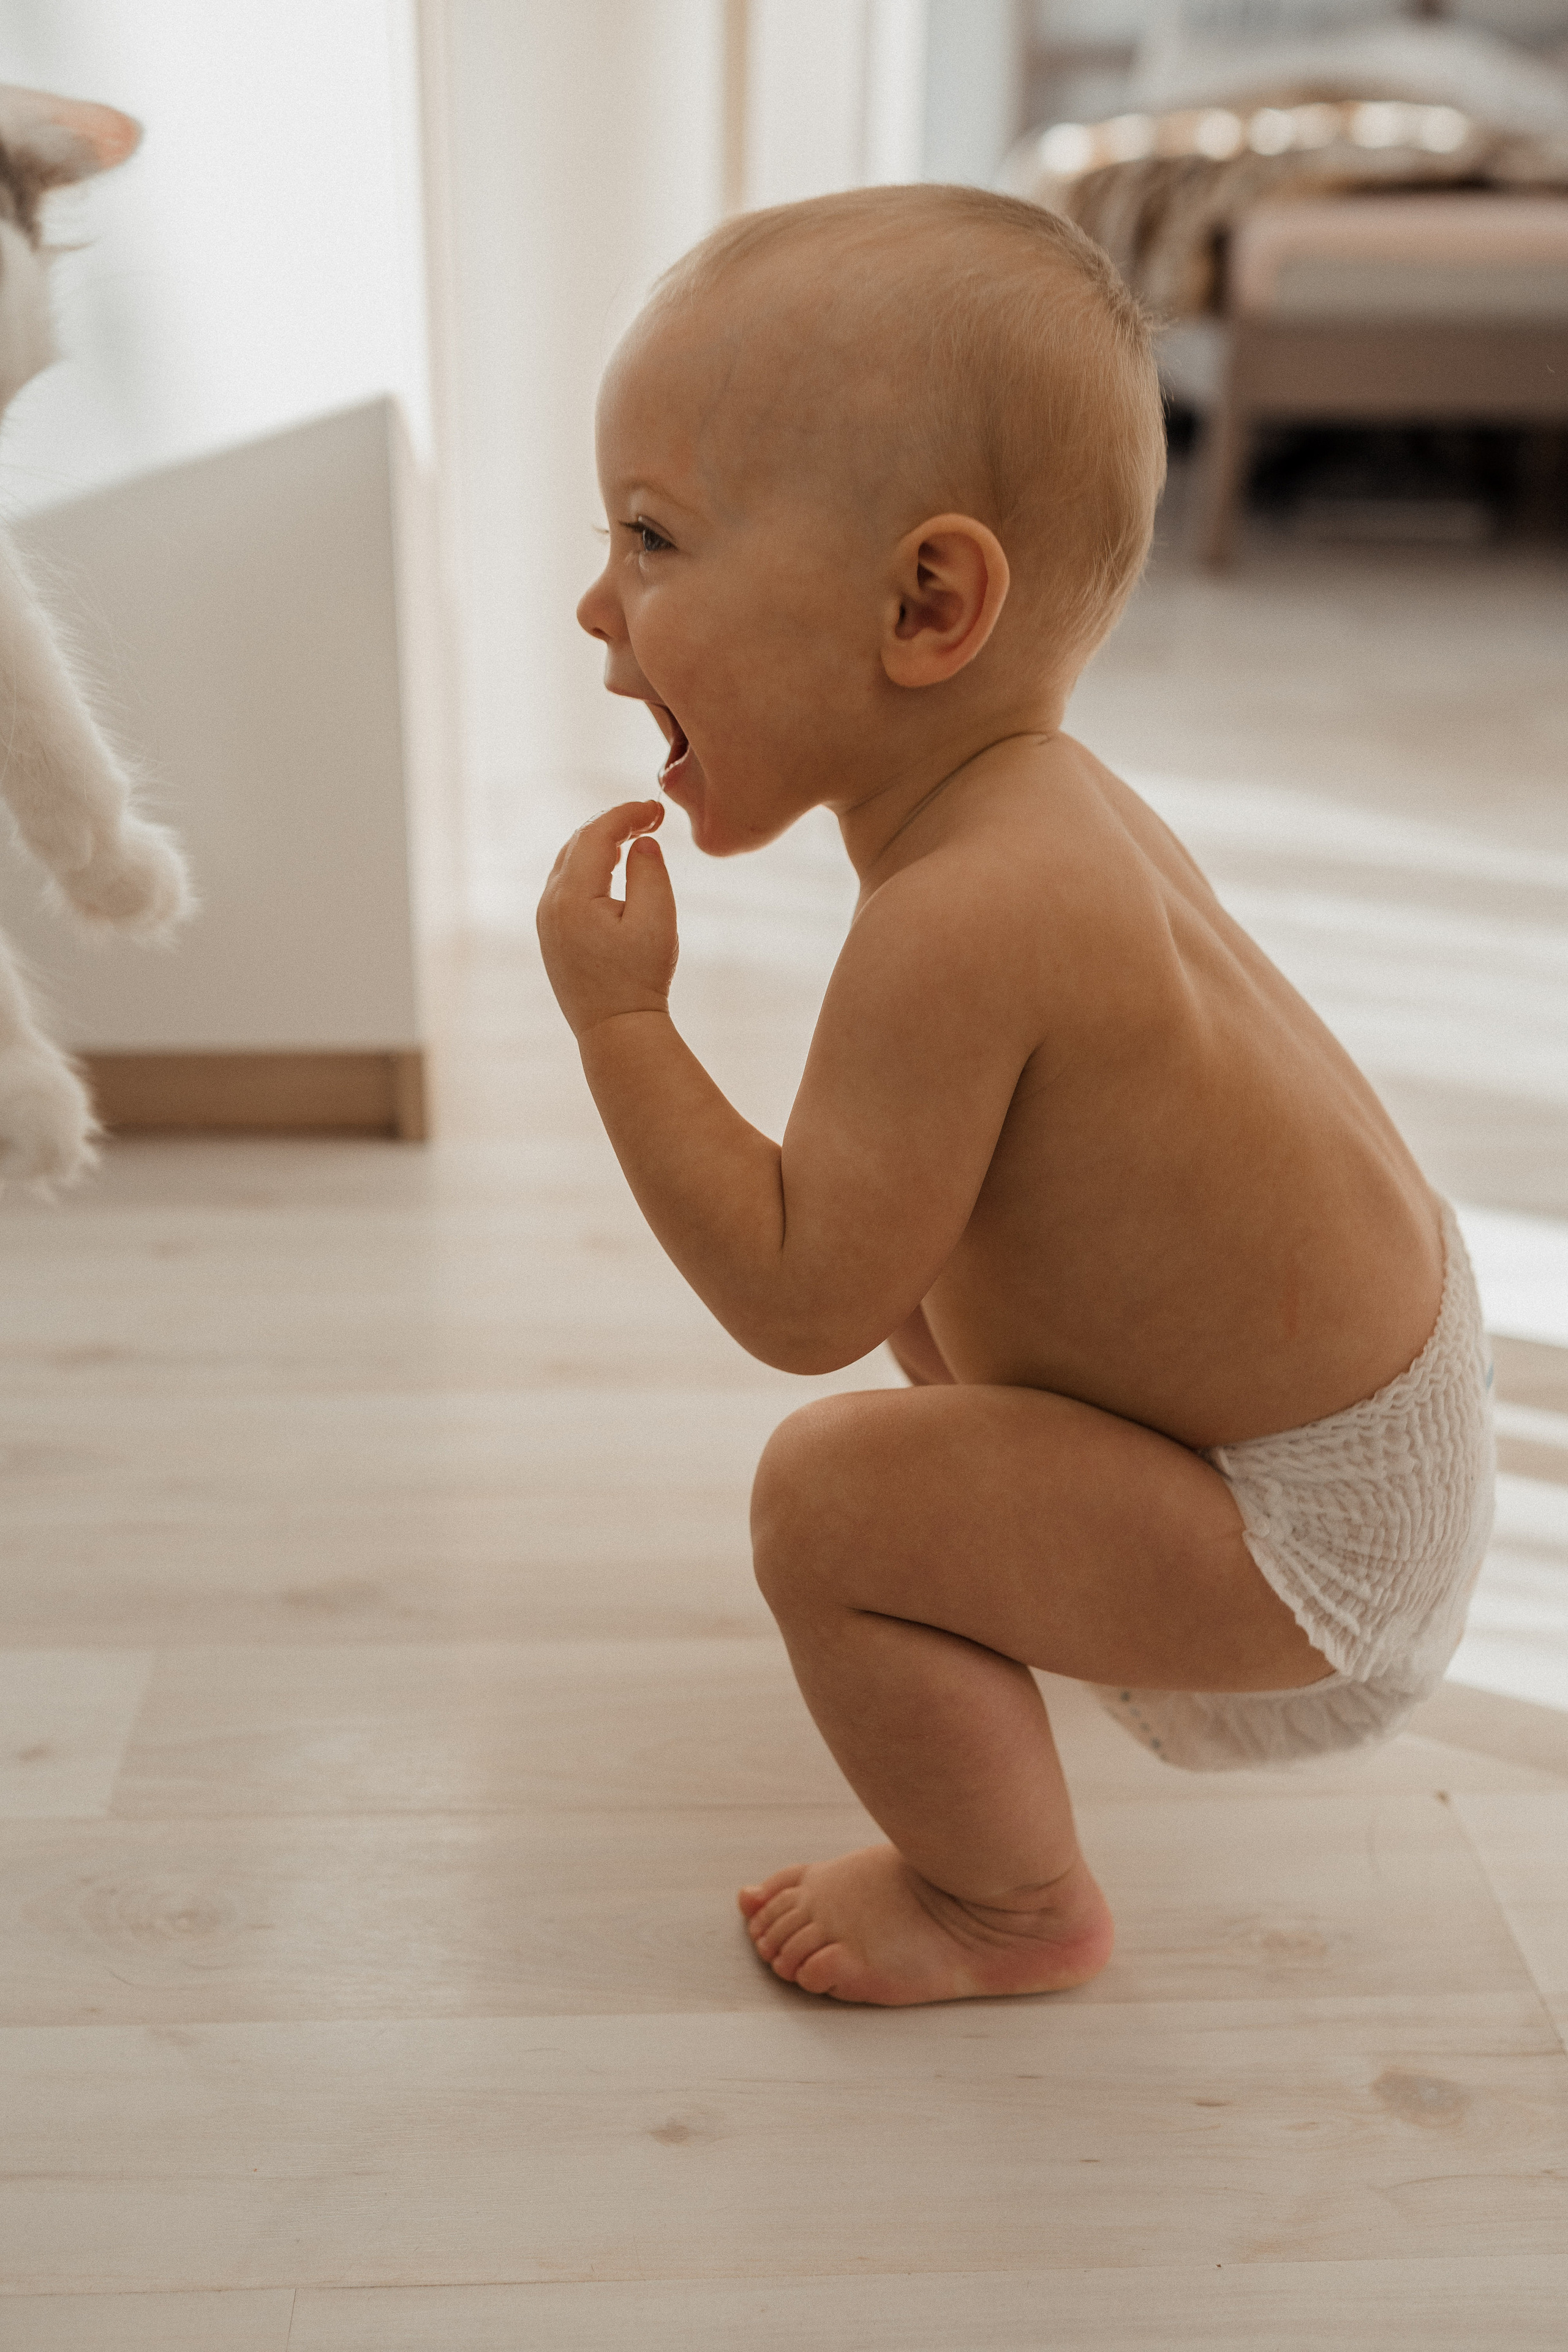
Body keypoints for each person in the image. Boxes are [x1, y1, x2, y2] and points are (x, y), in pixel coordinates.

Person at [535, 186, 1494, 2008]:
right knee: (907, 1222)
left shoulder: (966, 917)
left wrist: (617, 1025)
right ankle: (1027, 1579)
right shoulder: (1039, 809)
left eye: (653, 540)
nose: (598, 605)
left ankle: (1007, 1906)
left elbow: (794, 1307)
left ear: (926, 603)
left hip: (1305, 1535)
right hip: (1369, 1416)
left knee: (826, 1502)